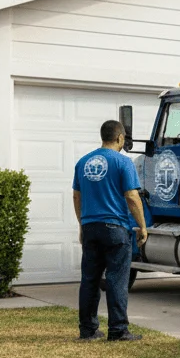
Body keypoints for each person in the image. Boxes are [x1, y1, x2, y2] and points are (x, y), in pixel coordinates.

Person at [72, 120, 148, 342]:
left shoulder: (83, 162)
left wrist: (82, 225)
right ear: (120, 138)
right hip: (115, 229)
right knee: (116, 279)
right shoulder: (123, 163)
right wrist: (142, 226)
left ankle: (87, 330)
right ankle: (118, 330)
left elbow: (77, 196)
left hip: (91, 227)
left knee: (89, 280)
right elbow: (132, 197)